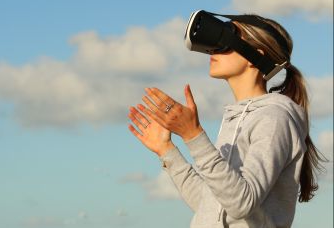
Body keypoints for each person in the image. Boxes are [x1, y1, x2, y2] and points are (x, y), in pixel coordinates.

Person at [127, 14, 326, 228]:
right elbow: (212, 207)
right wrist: (167, 151)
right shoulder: (236, 118)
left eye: (225, 41)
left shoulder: (274, 118)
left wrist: (193, 135)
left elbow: (242, 204)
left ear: (255, 56)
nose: (212, 49)